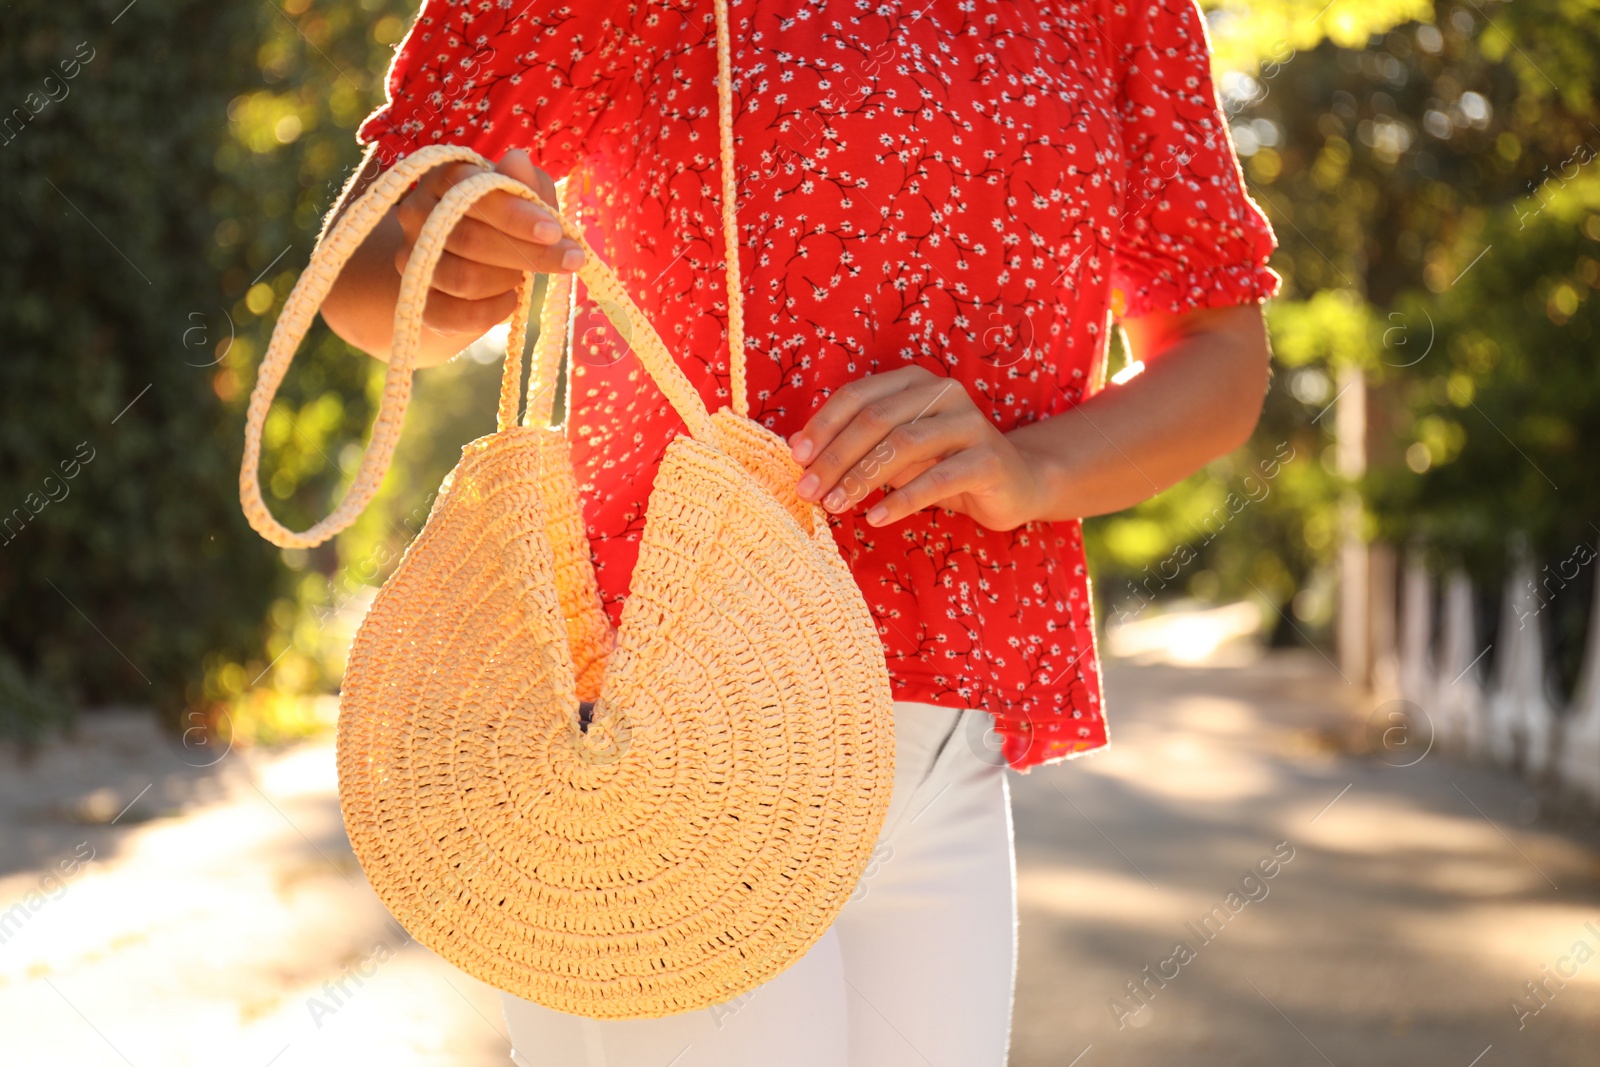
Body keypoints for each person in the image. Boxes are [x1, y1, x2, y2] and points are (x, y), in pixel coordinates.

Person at [317, 0, 1279, 1063]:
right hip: (666, 723)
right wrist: (449, 256)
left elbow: (1217, 345)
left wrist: (1033, 466)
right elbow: (366, 265)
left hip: (945, 745)